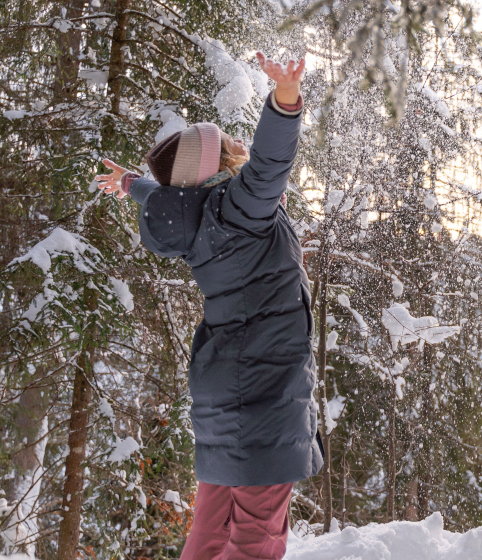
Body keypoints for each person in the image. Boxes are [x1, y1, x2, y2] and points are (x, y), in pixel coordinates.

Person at [95, 53, 321, 560]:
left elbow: (166, 193)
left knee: (212, 531)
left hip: (225, 390)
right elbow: (270, 160)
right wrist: (285, 99)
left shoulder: (198, 216)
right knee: (255, 539)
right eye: (225, 143)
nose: (235, 141)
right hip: (263, 391)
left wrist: (132, 184)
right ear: (217, 166)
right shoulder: (242, 207)